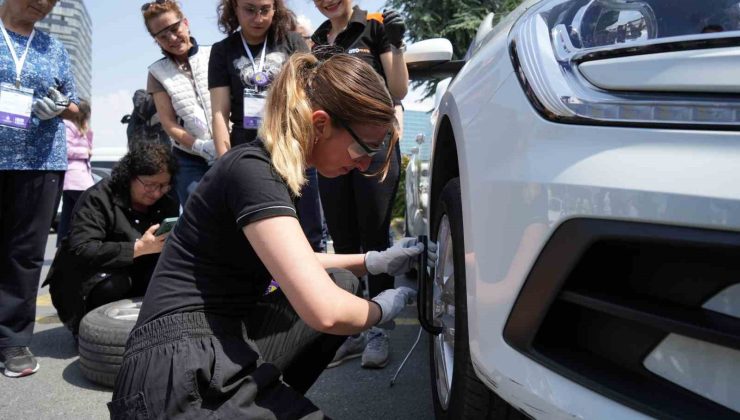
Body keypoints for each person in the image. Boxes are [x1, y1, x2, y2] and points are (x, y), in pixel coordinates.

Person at [109, 53, 422, 418]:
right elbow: (328, 312)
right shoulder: (252, 171)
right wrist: (387, 307)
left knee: (341, 282)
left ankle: (269, 395)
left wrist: (374, 261)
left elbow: (295, 263)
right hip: (176, 369)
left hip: (217, 340)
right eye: (363, 148)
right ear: (320, 124)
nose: (365, 163)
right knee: (336, 297)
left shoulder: (269, 172)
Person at [310, 0, 409, 369]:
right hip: (331, 149)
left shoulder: (374, 26)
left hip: (373, 146)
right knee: (343, 244)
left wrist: (397, 46)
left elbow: (397, 91)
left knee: (375, 240)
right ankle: (351, 332)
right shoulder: (317, 40)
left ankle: (378, 327)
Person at [0, 0, 80, 378]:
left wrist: (61, 105)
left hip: (40, 160)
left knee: (25, 253)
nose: (44, 4)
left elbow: (75, 103)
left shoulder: (54, 48)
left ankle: (13, 340)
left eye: (52, 0)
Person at [209, 0, 326, 250]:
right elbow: (219, 112)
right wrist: (224, 165)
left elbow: (315, 94)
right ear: (234, 9)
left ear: (276, 9)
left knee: (308, 231)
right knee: (258, 232)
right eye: (249, 10)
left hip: (295, 148)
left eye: (265, 10)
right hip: (249, 151)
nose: (258, 18)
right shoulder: (223, 50)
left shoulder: (293, 42)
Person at [44, 143, 179, 339]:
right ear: (130, 176)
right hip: (88, 278)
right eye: (150, 185)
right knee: (115, 284)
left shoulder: (167, 201)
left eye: (164, 186)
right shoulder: (98, 198)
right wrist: (137, 248)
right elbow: (82, 249)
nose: (157, 192)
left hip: (137, 271)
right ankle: (91, 330)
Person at [142, 0, 215, 205]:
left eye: (175, 29)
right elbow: (168, 122)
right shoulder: (157, 73)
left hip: (229, 147)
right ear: (156, 40)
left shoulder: (215, 54)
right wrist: (200, 146)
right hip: (189, 156)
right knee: (198, 209)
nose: (173, 38)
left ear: (185, 22)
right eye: (163, 36)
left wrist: (223, 143)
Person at [57, 99, 94, 246]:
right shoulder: (67, 126)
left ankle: (64, 245)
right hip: (75, 178)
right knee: (85, 212)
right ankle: (75, 243)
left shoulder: (81, 129)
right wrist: (85, 152)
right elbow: (66, 150)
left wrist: (88, 132)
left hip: (78, 178)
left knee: (69, 214)